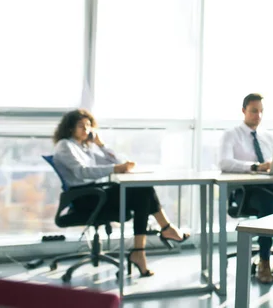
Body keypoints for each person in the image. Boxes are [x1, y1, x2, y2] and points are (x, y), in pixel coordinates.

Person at [52, 109, 190, 278]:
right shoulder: (65, 145)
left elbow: (118, 161)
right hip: (84, 197)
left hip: (95, 193)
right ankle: (162, 233)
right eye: (81, 126)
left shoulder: (86, 147)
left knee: (142, 190)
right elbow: (82, 172)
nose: (86, 130)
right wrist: (115, 169)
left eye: (88, 126)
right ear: (70, 128)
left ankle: (142, 249)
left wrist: (101, 145)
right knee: (142, 191)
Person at [219, 93, 273, 284]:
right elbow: (224, 162)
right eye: (253, 111)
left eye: (261, 111)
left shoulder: (270, 137)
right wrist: (254, 167)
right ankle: (264, 260)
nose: (258, 116)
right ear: (243, 111)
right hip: (246, 191)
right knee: (271, 202)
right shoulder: (231, 135)